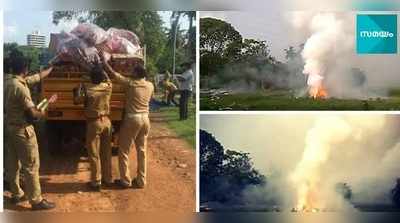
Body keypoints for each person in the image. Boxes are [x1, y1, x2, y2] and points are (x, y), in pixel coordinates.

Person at [5, 53, 56, 210]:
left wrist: (50, 70)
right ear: (25, 69)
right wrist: (47, 104)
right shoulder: (21, 88)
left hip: (9, 128)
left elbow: (34, 78)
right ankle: (36, 200)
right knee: (31, 165)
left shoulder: (7, 81)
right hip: (23, 130)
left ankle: (17, 193)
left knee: (12, 163)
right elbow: (34, 115)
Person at [101, 54, 154, 189]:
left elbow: (113, 74)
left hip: (133, 119)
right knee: (142, 151)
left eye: (132, 71)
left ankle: (125, 180)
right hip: (145, 119)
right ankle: (141, 181)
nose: (130, 73)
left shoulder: (131, 84)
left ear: (136, 74)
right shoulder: (150, 85)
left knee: (123, 150)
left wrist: (104, 61)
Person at [74, 66, 113, 191]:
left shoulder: (87, 89)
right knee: (106, 152)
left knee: (94, 154)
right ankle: (108, 179)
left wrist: (79, 87)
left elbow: (77, 101)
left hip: (94, 123)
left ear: (91, 78)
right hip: (107, 122)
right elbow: (107, 78)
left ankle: (96, 182)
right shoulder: (108, 87)